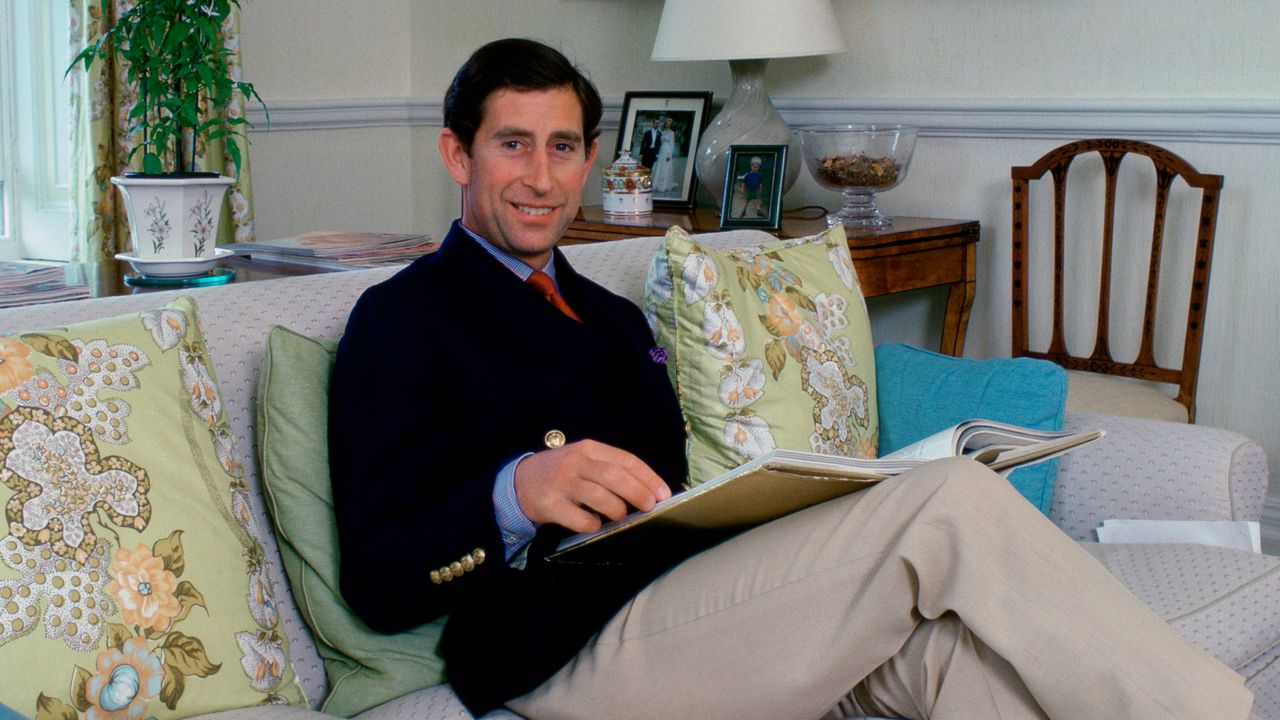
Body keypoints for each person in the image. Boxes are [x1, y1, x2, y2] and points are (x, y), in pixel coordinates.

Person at [328, 38, 1253, 720]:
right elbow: (379, 576)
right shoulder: (402, 320)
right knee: (949, 504)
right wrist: (515, 493)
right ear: (458, 155)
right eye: (512, 145)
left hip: (703, 600)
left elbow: (678, 498)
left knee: (952, 664)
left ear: (589, 158)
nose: (540, 176)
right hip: (558, 651)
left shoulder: (614, 318)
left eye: (562, 146)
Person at [652, 118, 678, 192]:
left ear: (670, 125)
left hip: (667, 150)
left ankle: (664, 185)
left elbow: (672, 144)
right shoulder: (662, 132)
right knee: (659, 166)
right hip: (661, 151)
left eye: (669, 124)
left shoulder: (672, 133)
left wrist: (669, 155)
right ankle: (657, 184)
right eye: (667, 124)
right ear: (665, 124)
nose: (668, 125)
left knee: (665, 167)